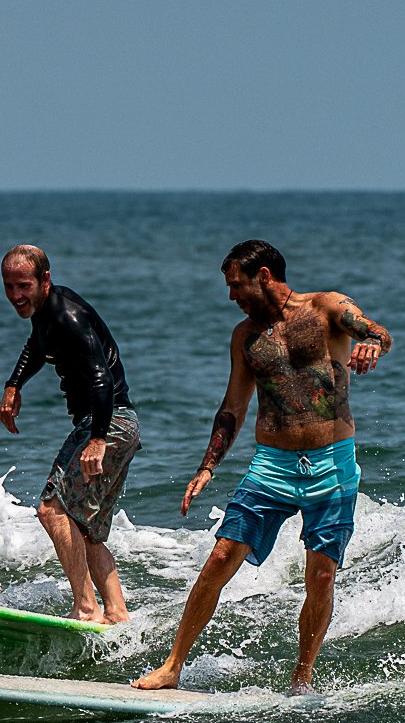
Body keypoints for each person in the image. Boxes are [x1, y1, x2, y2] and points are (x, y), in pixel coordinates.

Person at [132, 239, 391, 693]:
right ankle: (173, 666)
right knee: (218, 559)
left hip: (332, 464)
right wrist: (207, 467)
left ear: (265, 276)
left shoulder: (328, 307)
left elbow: (378, 331)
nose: (232, 296)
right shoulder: (245, 337)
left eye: (237, 285)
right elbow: (232, 406)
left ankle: (302, 675)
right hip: (271, 466)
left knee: (322, 573)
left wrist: (372, 343)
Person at [0, 245, 140, 624]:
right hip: (119, 423)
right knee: (86, 528)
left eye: (23, 285)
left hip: (107, 423)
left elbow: (101, 379)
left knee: (51, 510)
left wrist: (97, 439)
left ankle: (86, 608)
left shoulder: (67, 316)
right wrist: (14, 385)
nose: (16, 296)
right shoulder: (46, 314)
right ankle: (116, 613)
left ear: (45, 279)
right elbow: (36, 348)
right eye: (9, 287)